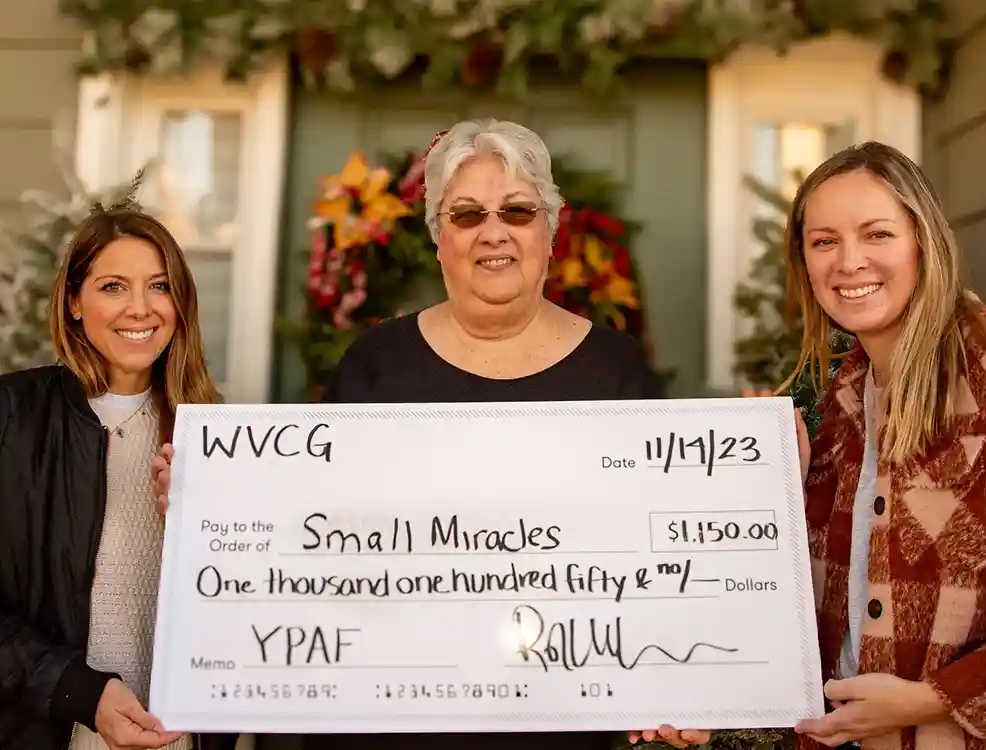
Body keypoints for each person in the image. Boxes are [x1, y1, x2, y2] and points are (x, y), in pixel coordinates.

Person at [152, 118, 663, 750]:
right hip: (380, 728)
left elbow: (656, 562)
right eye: (467, 215)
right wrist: (211, 508)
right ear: (437, 238)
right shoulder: (374, 363)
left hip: (551, 727)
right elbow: (303, 534)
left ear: (551, 231)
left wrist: (668, 687)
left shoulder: (617, 371)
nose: (493, 232)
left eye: (518, 211)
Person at [641, 140, 986, 750]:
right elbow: (814, 612)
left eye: (877, 234)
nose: (849, 261)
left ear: (922, 242)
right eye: (824, 241)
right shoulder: (843, 400)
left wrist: (926, 701)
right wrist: (715, 698)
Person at [0, 205, 239, 750]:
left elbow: (252, 606)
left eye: (159, 286)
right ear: (74, 303)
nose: (140, 308)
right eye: (113, 286)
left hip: (175, 740)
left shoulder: (219, 439)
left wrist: (215, 519)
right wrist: (78, 692)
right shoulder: (11, 417)